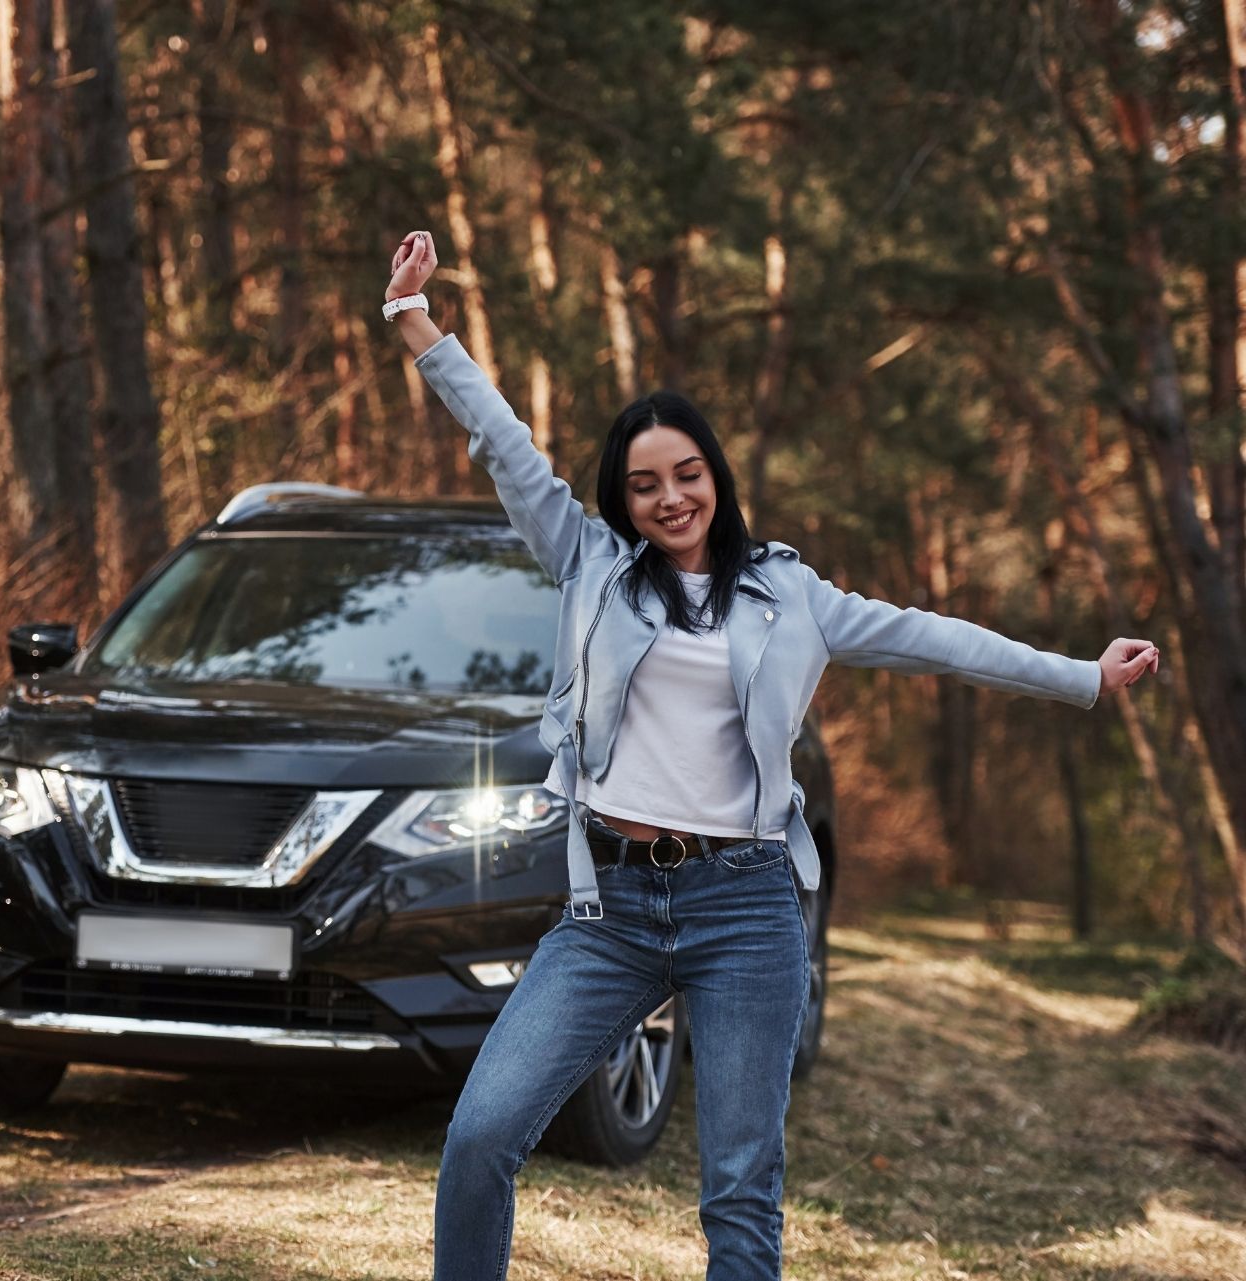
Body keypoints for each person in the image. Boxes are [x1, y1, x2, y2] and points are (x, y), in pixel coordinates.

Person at [381, 230, 1158, 1280]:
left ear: (717, 477)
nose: (670, 498)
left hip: (745, 908)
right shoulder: (588, 563)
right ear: (622, 496)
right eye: (644, 484)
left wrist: (1082, 676)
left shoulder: (791, 594)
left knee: (741, 1188)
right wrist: (415, 320)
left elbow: (936, 639)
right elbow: (504, 441)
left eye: (687, 474)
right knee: (481, 1134)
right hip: (610, 908)